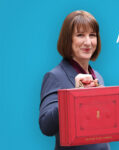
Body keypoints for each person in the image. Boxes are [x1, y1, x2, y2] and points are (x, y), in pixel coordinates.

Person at [39, 10, 110, 150]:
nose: (88, 42)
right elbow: (46, 126)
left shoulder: (98, 76)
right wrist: (74, 96)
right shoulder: (55, 76)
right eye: (80, 35)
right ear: (68, 39)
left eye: (92, 35)